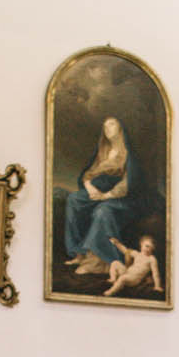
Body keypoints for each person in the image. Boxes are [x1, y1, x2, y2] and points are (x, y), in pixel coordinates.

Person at [56, 115, 152, 276]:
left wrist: (106, 196)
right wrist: (89, 187)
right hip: (97, 189)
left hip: (121, 196)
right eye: (105, 126)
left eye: (112, 125)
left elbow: (128, 183)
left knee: (102, 211)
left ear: (120, 128)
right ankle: (79, 253)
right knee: (73, 199)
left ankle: (97, 261)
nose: (108, 129)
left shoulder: (127, 152)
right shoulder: (103, 150)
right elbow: (88, 174)